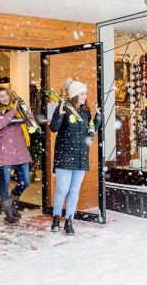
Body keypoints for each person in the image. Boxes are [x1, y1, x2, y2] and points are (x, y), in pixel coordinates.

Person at [49, 80, 102, 235]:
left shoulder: (85, 112)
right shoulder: (64, 109)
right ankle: (56, 218)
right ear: (75, 95)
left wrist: (97, 119)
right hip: (65, 155)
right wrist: (59, 113)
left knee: (74, 191)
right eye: (83, 93)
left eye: (85, 93)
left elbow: (90, 131)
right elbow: (54, 128)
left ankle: (69, 220)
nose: (86, 96)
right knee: (62, 190)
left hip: (81, 157)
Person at [0, 87, 33, 224]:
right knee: (5, 182)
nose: (4, 98)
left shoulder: (17, 107)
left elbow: (29, 120)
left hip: (20, 149)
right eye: (1, 96)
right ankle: (8, 211)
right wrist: (13, 111)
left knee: (25, 181)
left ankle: (12, 201)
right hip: (4, 151)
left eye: (6, 95)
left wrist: (25, 113)